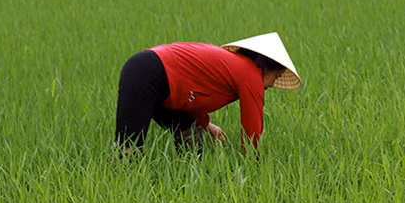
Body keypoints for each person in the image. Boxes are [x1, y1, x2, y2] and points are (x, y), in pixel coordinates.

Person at [114, 32, 301, 155]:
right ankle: (118, 193)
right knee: (128, 151)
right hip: (148, 74)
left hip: (155, 77)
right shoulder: (251, 75)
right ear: (265, 67)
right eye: (275, 77)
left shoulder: (234, 67)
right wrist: (254, 167)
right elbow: (252, 131)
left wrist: (207, 125)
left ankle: (183, 182)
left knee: (190, 133)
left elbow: (194, 95)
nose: (274, 84)